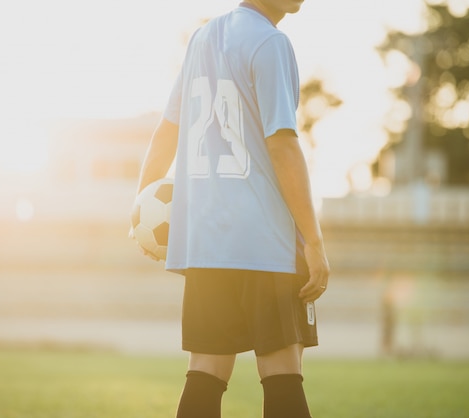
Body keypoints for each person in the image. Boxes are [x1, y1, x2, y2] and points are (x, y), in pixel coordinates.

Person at [132, 1, 330, 417]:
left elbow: (167, 131)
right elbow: (283, 145)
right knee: (281, 371)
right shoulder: (270, 42)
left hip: (207, 245)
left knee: (206, 371)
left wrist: (141, 208)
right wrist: (313, 241)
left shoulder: (203, 38)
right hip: (266, 244)